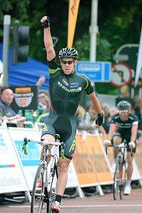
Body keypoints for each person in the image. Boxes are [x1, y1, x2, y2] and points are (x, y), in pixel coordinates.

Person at [40, 15, 104, 213]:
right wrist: (46, 27)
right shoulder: (55, 72)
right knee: (46, 144)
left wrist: (100, 115)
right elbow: (50, 48)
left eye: (70, 62)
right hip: (53, 120)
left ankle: (57, 202)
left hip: (69, 125)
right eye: (64, 61)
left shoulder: (83, 80)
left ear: (75, 62)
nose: (66, 64)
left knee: (64, 164)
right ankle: (43, 178)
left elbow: (93, 98)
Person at [104, 100, 138, 195]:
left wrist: (132, 142)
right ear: (118, 111)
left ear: (128, 111)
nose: (123, 114)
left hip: (130, 136)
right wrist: (108, 139)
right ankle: (115, 161)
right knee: (115, 140)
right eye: (121, 112)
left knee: (129, 159)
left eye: (125, 112)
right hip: (120, 134)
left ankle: (128, 184)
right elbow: (111, 130)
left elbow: (134, 132)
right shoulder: (115, 117)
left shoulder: (133, 118)